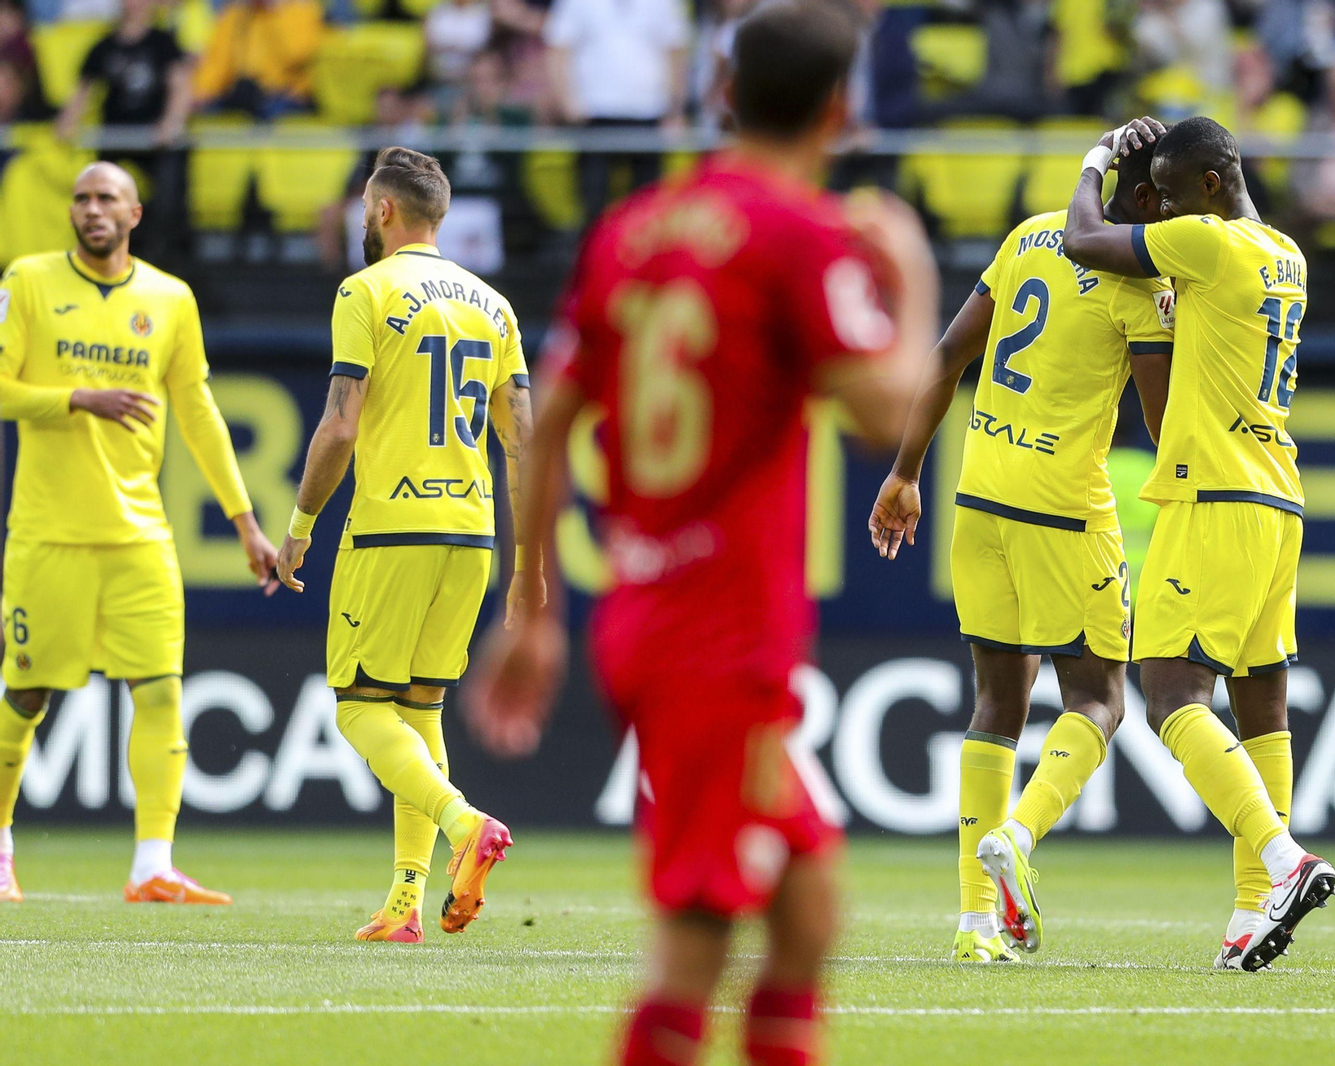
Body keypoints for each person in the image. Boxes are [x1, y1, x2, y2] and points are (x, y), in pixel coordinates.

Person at [471, 2, 934, 1061]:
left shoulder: (633, 227)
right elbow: (879, 416)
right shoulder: (800, 236)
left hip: (650, 610)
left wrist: (534, 610)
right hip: (718, 637)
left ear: (721, 96)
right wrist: (907, 284)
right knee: (695, 944)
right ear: (838, 109)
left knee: (809, 904)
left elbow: (549, 427)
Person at [867, 138, 1175, 962]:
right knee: (1100, 700)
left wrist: (904, 472)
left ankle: (976, 924)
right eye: (1172, 203)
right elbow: (1163, 421)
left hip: (979, 493)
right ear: (1149, 204)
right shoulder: (1141, 281)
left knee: (996, 704)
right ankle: (1021, 837)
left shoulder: (1030, 236)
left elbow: (946, 355)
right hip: (1065, 511)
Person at [1057, 115, 1335, 973]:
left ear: (1210, 186)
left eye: (1171, 196)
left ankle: (1283, 862)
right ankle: (1255, 909)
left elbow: (1082, 241)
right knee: (1263, 708)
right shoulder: (1284, 253)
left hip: (1212, 493)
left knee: (1173, 694)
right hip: (1277, 497)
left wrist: (1097, 159)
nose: (1162, 212)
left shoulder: (1208, 244)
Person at [0, 162, 279, 905]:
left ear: (135, 214)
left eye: (107, 199)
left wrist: (246, 522)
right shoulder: (27, 280)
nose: (93, 209)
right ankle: (0, 848)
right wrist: (77, 397)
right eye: (83, 199)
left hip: (139, 537)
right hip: (49, 534)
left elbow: (199, 412)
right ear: (72, 213)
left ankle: (152, 864)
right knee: (26, 695)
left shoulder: (169, 298)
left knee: (159, 694)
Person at [274, 147, 526, 943]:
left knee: (357, 709)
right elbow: (524, 440)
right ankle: (405, 903)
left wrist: (301, 524)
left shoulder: (366, 290)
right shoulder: (494, 304)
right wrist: (534, 566)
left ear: (382, 211)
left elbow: (340, 424)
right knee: (419, 709)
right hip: (473, 533)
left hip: (391, 527)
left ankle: (463, 823)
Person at [55, 0, 196, 263]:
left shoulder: (163, 43)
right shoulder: (104, 47)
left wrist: (171, 122)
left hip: (155, 144)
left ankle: (166, 253)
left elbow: (180, 87)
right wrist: (67, 123)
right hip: (115, 141)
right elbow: (82, 93)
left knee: (167, 192)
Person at [543, 0, 690, 222]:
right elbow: (558, 47)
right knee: (593, 201)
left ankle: (646, 256)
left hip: (648, 113)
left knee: (648, 205)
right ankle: (592, 254)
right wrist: (567, 102)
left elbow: (675, 52)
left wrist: (675, 111)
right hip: (594, 113)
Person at [191, 0, 323, 119]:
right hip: (244, 94)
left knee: (267, 110)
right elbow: (218, 62)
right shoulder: (237, 13)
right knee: (210, 111)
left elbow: (298, 55)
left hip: (288, 96)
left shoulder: (302, 8)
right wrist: (200, 93)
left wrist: (275, 11)